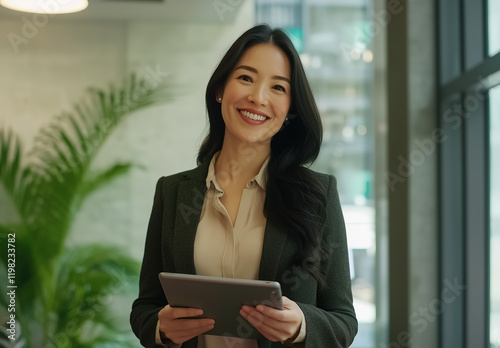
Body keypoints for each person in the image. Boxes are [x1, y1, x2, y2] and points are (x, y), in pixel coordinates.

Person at [130, 24, 358, 348]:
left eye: (278, 88)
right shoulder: (172, 192)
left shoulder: (319, 196)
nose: (258, 97)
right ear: (221, 88)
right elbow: (145, 307)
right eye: (246, 78)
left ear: (290, 109)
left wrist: (301, 326)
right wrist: (160, 329)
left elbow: (344, 321)